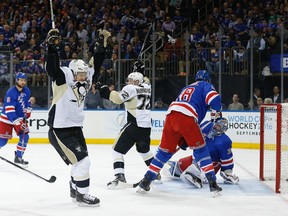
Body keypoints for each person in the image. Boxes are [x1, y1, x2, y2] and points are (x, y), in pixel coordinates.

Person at [137, 70, 223, 194]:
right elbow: (214, 98)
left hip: (171, 115)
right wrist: (217, 117)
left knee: (164, 152)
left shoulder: (187, 87)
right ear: (207, 80)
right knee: (201, 151)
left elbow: (182, 113)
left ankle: (147, 179)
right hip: (187, 117)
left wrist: (183, 138)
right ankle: (212, 183)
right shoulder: (205, 85)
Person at [45, 28, 99, 207]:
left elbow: (95, 65)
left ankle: (75, 188)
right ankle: (83, 195)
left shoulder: (84, 77)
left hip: (76, 128)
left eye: (84, 74)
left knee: (80, 162)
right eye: (80, 75)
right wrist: (53, 48)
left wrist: (102, 46)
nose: (83, 78)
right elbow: (52, 69)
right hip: (60, 129)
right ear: (73, 73)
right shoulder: (64, 79)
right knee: (84, 161)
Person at [98, 61, 157, 189]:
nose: (129, 82)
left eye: (132, 80)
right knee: (144, 150)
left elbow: (118, 99)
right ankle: (155, 173)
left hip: (134, 124)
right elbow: (144, 79)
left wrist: (103, 91)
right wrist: (140, 71)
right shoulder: (147, 86)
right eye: (129, 80)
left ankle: (119, 176)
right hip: (146, 127)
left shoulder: (130, 88)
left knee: (117, 150)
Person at [166, 118, 239, 188]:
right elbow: (194, 132)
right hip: (197, 157)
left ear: (223, 129)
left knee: (200, 173)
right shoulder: (206, 126)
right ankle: (188, 171)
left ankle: (198, 176)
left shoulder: (224, 141)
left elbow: (227, 158)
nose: (215, 128)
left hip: (212, 162)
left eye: (219, 127)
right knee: (178, 166)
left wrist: (227, 172)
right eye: (216, 125)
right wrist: (186, 140)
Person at [0, 72, 32, 166]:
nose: (23, 82)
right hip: (7, 118)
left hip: (19, 118)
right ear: (17, 80)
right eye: (21, 80)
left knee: (25, 136)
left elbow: (26, 104)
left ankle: (18, 157)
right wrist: (16, 121)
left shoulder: (27, 91)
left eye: (24, 80)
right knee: (2, 141)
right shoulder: (11, 92)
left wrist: (28, 111)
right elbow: (9, 109)